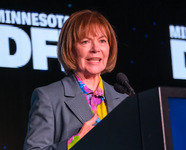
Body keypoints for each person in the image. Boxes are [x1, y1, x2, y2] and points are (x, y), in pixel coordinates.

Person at [23, 9, 128, 150]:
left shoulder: (123, 99)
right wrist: (75, 141)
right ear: (70, 49)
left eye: (102, 41)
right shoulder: (48, 97)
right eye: (85, 42)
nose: (96, 48)